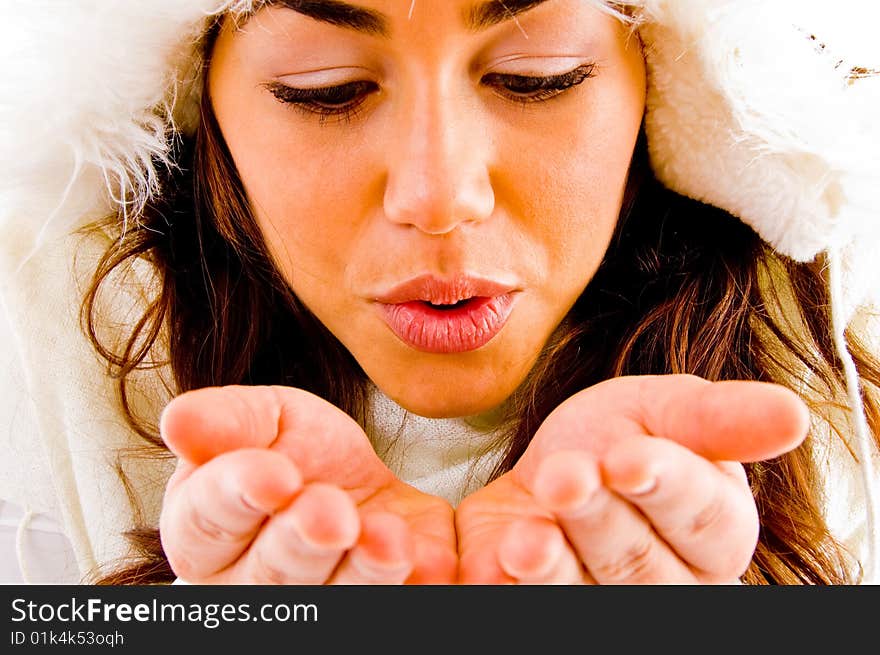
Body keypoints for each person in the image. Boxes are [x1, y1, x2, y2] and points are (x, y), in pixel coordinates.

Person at [1, 0, 878, 585]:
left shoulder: (847, 340)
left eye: (541, 75)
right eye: (325, 89)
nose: (439, 195)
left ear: (664, 86)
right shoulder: (35, 373)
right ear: (203, 103)